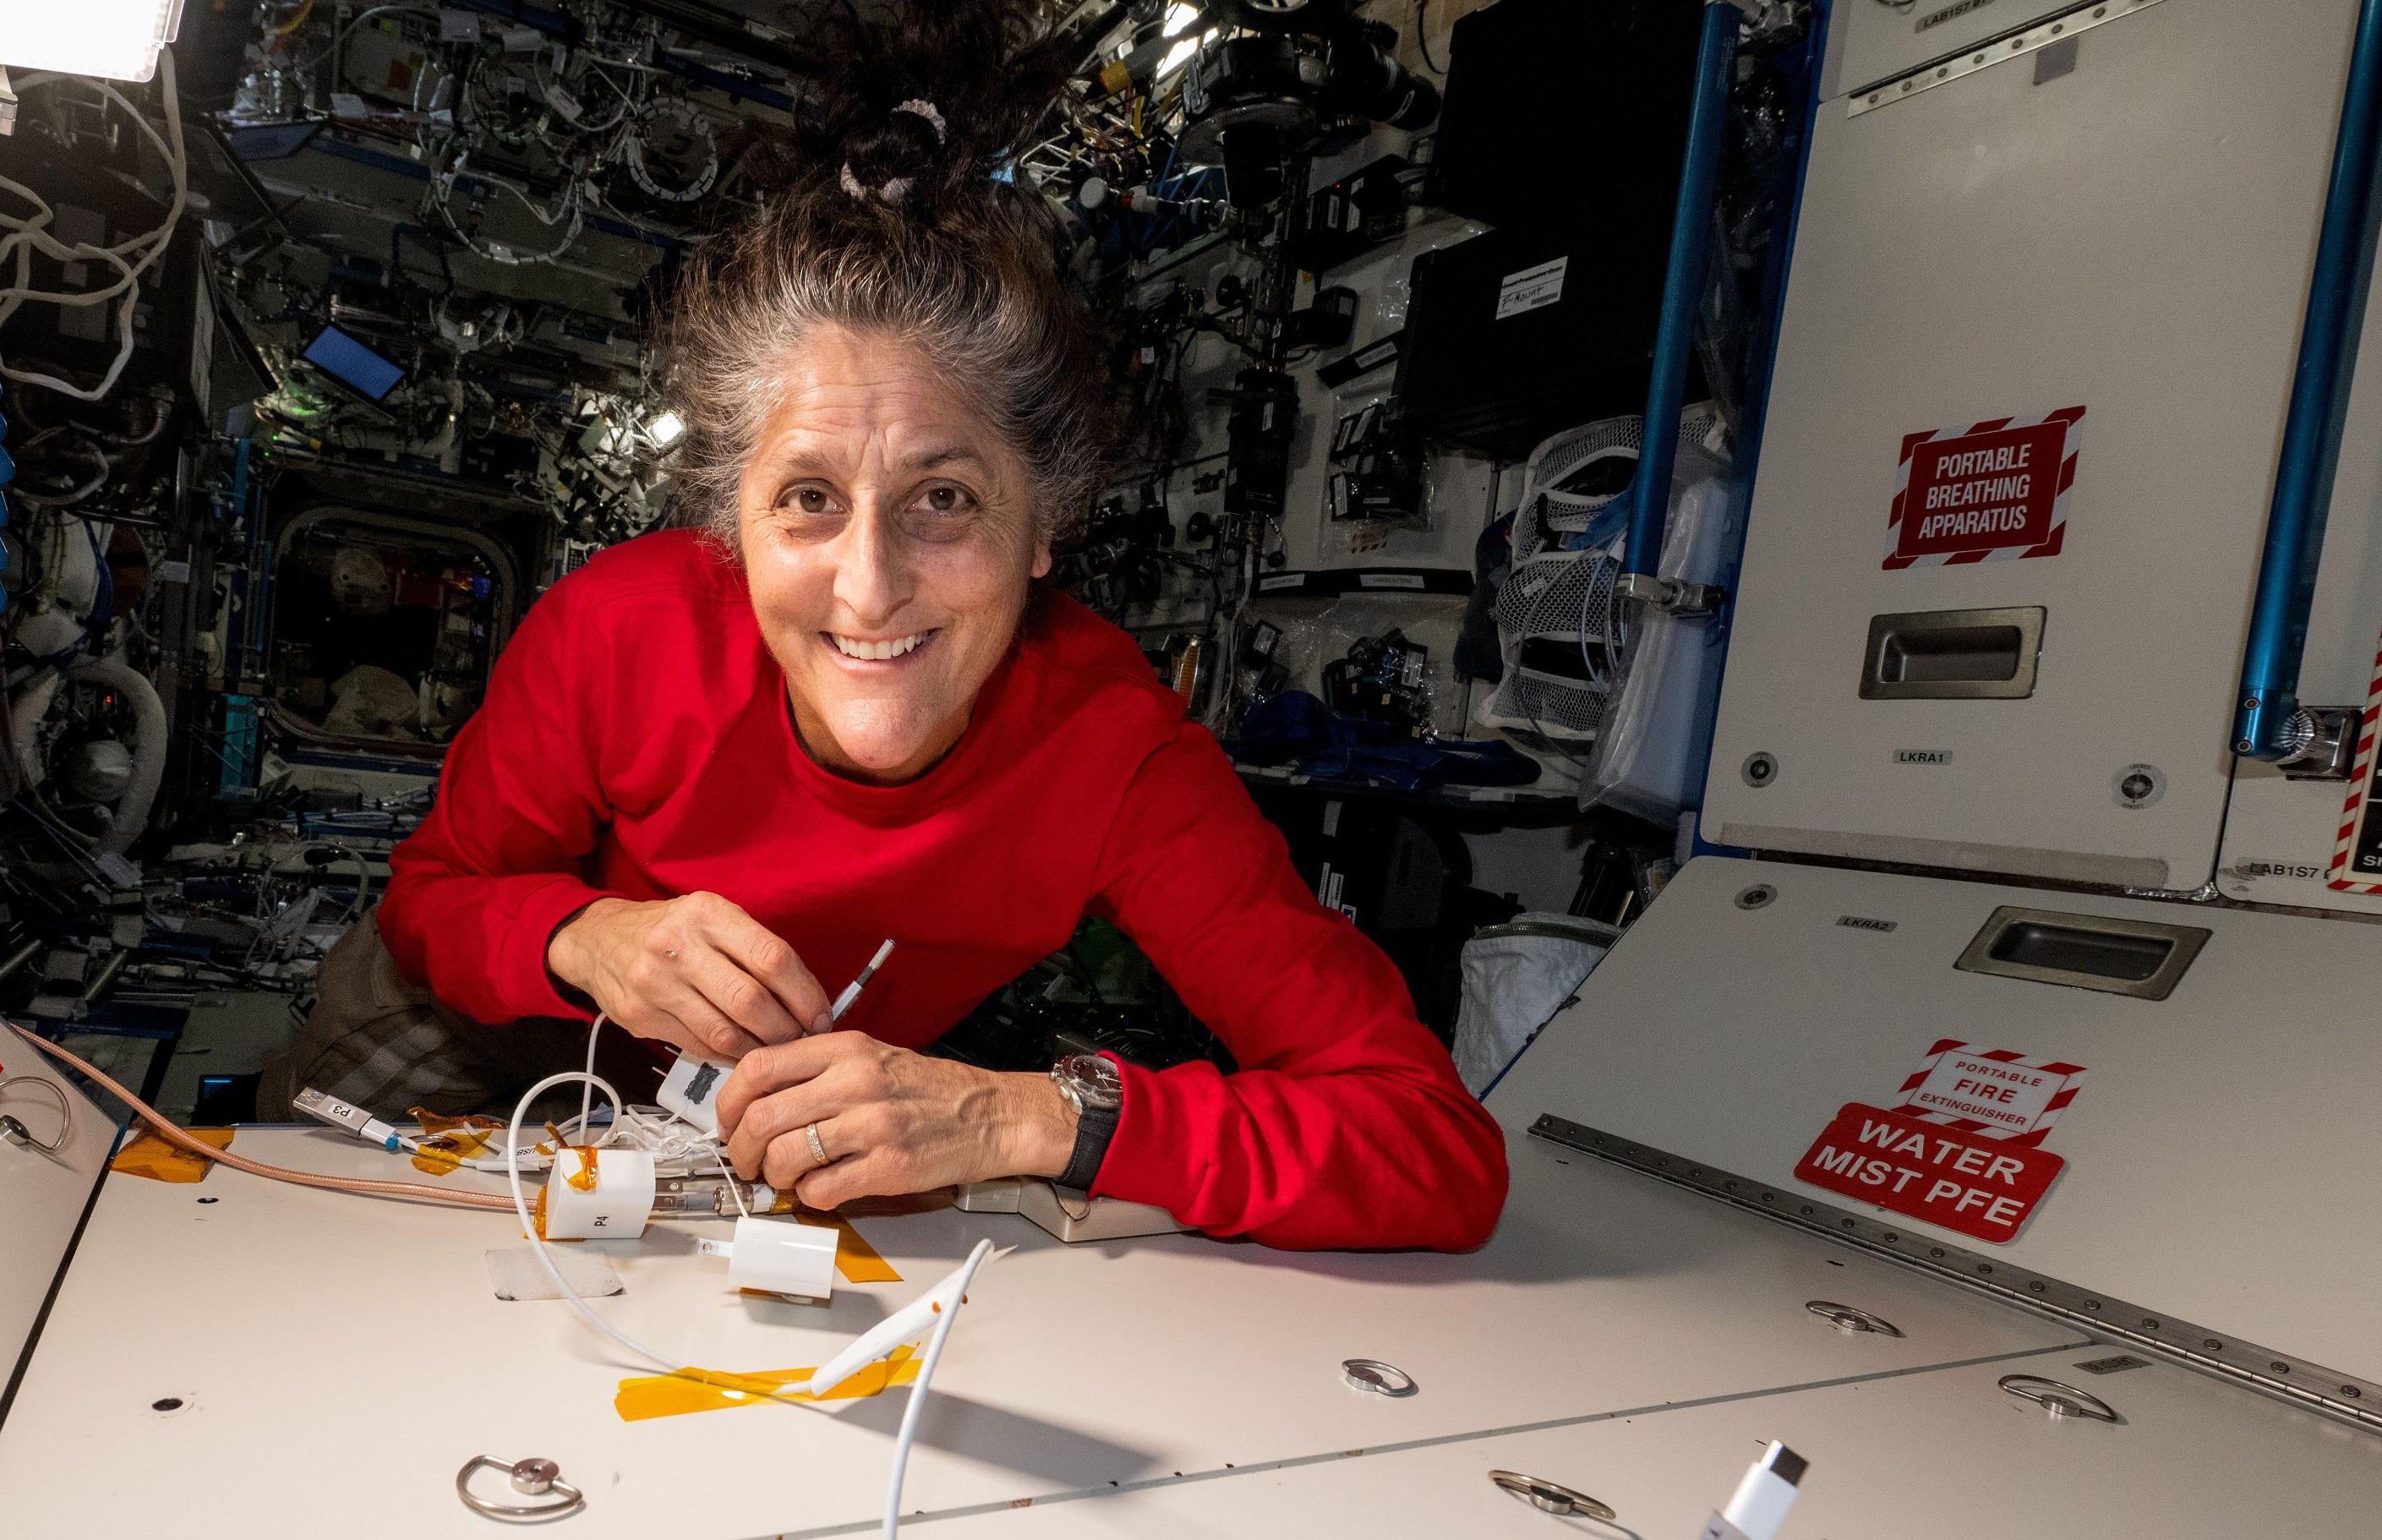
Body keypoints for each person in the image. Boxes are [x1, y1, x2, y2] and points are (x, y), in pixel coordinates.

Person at [269, 3, 1506, 1252]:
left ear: (1044, 527)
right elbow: (435, 896)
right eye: (808, 499)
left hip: (759, 1112)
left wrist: (1038, 1117)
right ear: (731, 524)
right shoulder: (617, 628)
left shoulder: (1115, 750)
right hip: (497, 1007)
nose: (869, 589)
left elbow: (1434, 1144)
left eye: (944, 500)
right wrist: (589, 935)